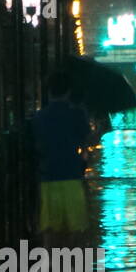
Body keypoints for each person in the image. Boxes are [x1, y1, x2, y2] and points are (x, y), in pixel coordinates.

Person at [32, 70, 91, 237]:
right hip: (71, 173)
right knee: (76, 227)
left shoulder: (39, 117)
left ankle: (52, 260)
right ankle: (72, 261)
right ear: (68, 92)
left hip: (48, 174)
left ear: (49, 91)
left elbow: (36, 143)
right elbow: (85, 141)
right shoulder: (77, 114)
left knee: (50, 227)